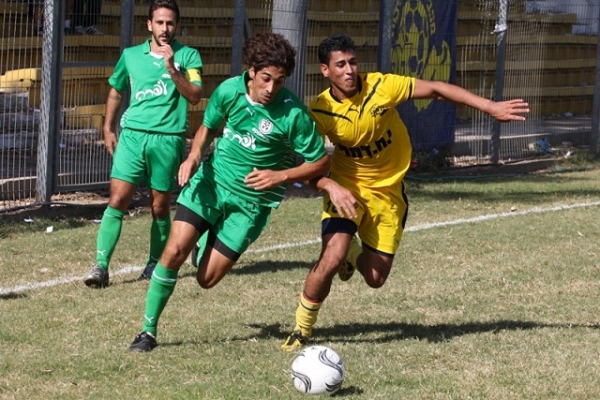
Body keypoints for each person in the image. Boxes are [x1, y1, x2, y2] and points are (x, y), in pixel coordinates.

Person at [280, 33, 530, 351]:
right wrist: (331, 185)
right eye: (340, 64)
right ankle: (301, 329)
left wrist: (489, 106)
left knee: (375, 278)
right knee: (330, 258)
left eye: (353, 62)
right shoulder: (320, 111)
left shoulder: (381, 86)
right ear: (325, 70)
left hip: (388, 193)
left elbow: (437, 89)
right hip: (347, 190)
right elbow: (307, 168)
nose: (349, 70)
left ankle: (353, 253)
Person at [127, 31, 331, 352]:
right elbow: (208, 126)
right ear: (252, 71)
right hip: (211, 184)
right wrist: (194, 156)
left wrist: (281, 176)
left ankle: (206, 239)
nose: (271, 88)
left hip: (250, 204)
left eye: (279, 81)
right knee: (173, 252)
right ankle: (147, 332)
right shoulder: (229, 91)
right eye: (266, 79)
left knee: (206, 279)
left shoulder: (293, 114)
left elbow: (319, 161)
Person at [83, 0, 202, 288]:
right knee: (117, 201)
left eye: (170, 23)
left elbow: (195, 95)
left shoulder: (188, 56)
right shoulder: (131, 55)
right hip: (132, 136)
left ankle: (153, 263)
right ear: (149, 25)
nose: (165, 28)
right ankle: (100, 267)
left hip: (168, 139)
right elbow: (116, 90)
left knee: (159, 207)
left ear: (177, 25)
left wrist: (172, 68)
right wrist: (108, 127)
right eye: (159, 22)